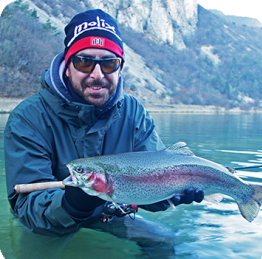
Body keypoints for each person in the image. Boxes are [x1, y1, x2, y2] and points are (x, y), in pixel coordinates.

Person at [4, 9, 204, 237]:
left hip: (110, 214)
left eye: (109, 64)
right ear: (67, 67)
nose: (97, 74)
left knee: (163, 241)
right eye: (84, 62)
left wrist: (167, 194)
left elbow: (147, 189)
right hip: (48, 223)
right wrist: (73, 204)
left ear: (120, 68)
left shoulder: (134, 112)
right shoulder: (28, 118)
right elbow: (26, 206)